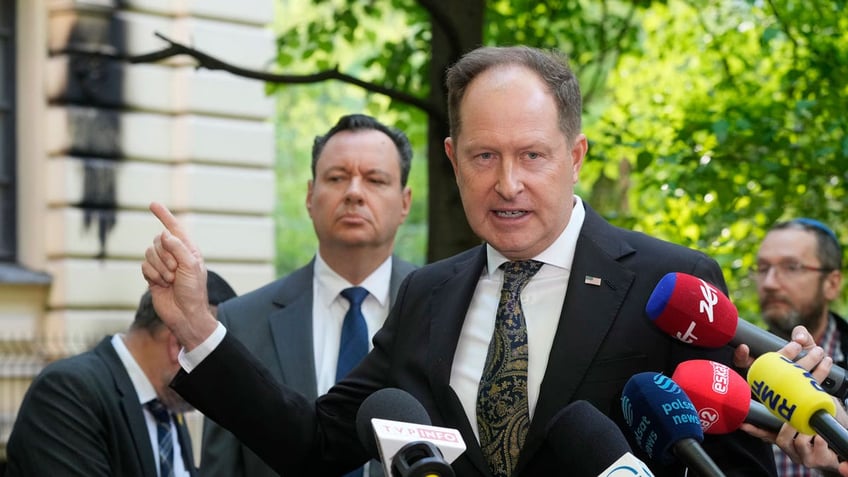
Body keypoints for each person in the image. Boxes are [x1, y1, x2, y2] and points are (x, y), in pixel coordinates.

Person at [142, 45, 776, 476]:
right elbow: (311, 445)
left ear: (575, 154)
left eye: (532, 156)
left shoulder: (669, 285)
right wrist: (198, 327)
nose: (507, 184)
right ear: (451, 158)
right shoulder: (428, 294)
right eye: (483, 157)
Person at [199, 114, 416, 477]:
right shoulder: (241, 321)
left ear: (405, 202)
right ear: (309, 196)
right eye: (336, 177)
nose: (354, 192)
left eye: (375, 180)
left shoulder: (444, 309)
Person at [5, 270, 237, 477]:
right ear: (179, 344)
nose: (217, 384)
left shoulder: (167, 409)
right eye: (215, 361)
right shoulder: (68, 391)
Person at [737, 219, 846, 477]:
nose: (770, 283)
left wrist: (835, 464)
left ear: (831, 283)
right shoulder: (736, 367)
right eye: (762, 268)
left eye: (791, 267)